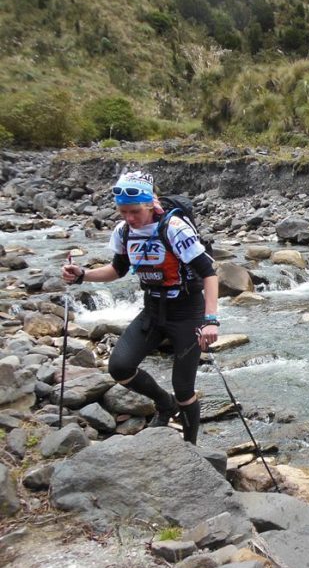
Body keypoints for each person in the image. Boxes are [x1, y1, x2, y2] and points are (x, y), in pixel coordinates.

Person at [61, 171, 219, 444]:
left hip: (186, 312)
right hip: (153, 309)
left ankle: (191, 448)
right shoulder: (123, 232)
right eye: (123, 212)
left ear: (150, 204)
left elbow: (209, 273)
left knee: (184, 389)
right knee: (120, 367)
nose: (129, 219)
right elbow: (117, 270)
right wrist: (82, 275)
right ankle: (164, 404)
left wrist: (211, 320)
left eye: (135, 211)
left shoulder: (174, 228)